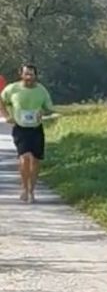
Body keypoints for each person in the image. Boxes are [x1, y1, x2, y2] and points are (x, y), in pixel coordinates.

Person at [0, 64, 55, 203]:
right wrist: (6, 116)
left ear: (35, 75)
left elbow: (49, 108)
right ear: (21, 75)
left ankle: (31, 190)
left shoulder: (41, 90)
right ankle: (24, 188)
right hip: (20, 128)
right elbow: (1, 100)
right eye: (26, 74)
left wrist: (43, 112)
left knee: (35, 160)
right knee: (24, 158)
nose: (29, 77)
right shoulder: (13, 89)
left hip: (36, 128)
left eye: (32, 74)